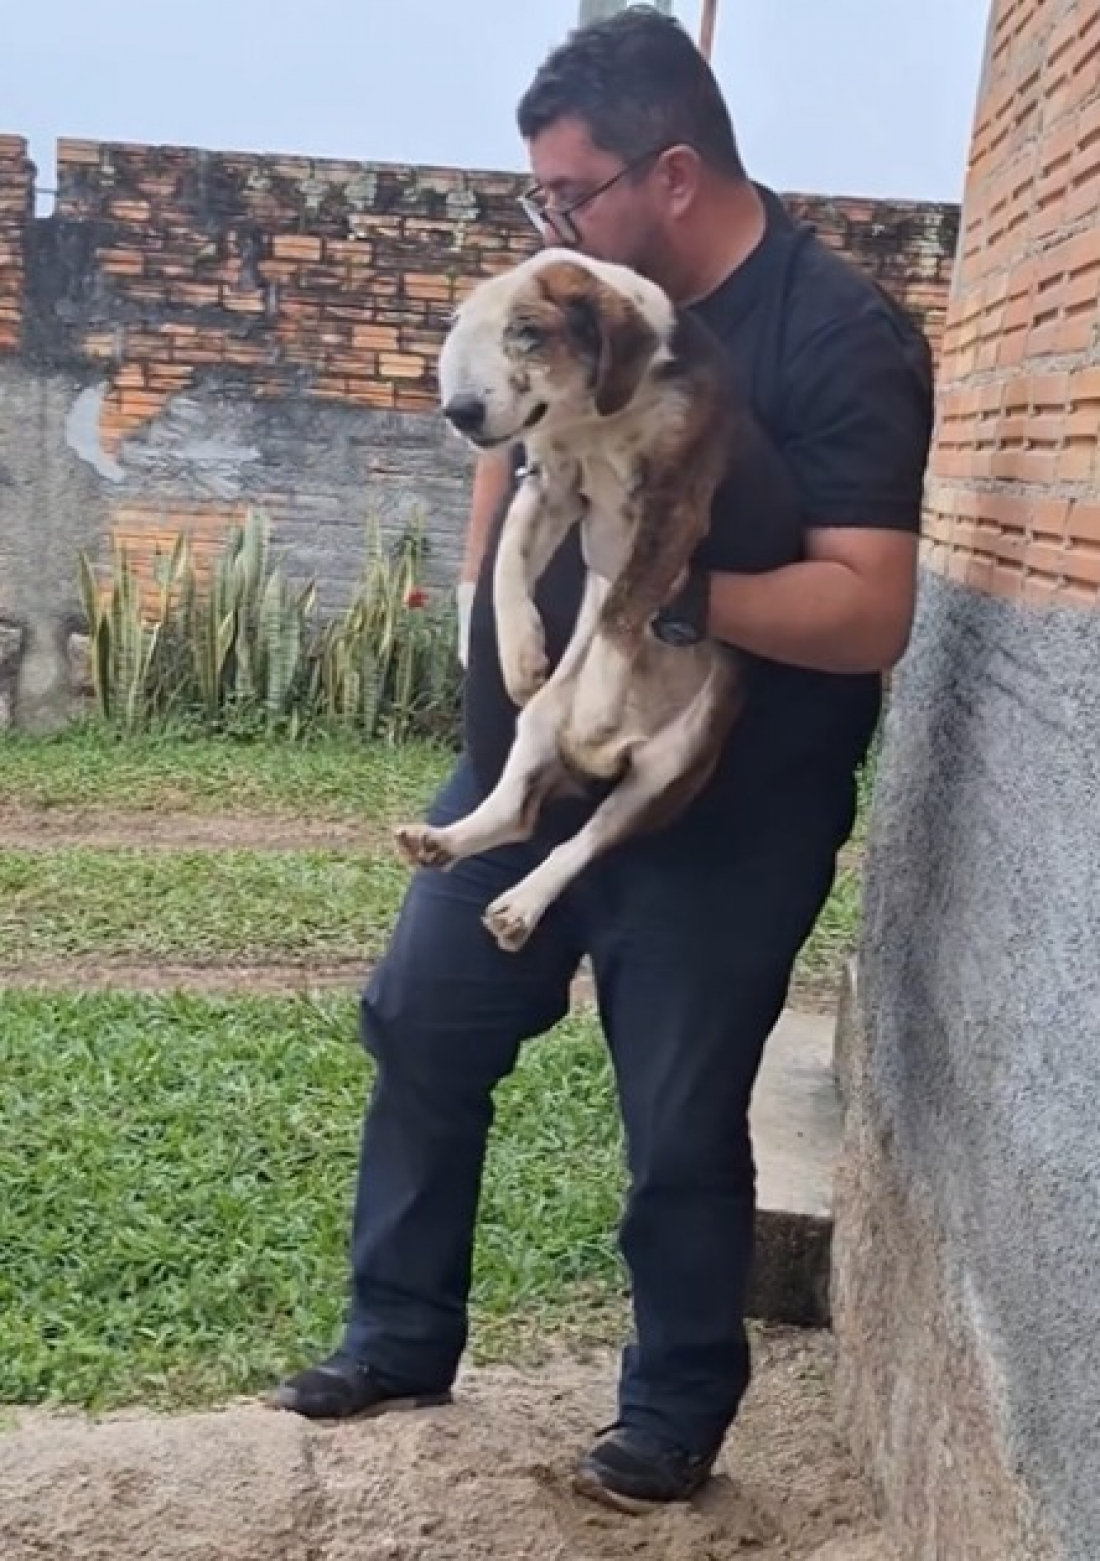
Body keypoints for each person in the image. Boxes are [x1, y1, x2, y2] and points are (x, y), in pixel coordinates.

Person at [274, 5, 934, 1514]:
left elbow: (868, 606)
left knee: (681, 1112)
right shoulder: (561, 303)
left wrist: (659, 597)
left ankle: (675, 1407)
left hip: (726, 801)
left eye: (567, 194)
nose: (545, 223)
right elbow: (510, 474)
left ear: (676, 172)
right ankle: (396, 1333)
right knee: (422, 1018)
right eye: (535, 200)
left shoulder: (839, 340)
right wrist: (507, 671)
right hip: (532, 761)